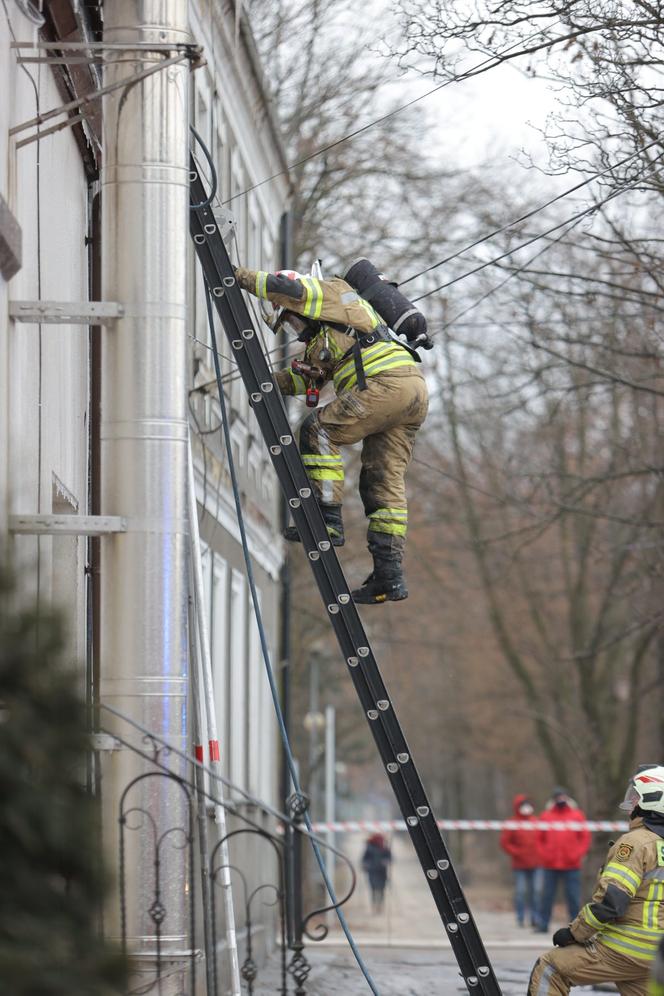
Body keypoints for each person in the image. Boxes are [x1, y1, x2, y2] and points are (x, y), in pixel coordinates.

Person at [233, 265, 430, 604]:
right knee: (382, 482)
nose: (296, 330)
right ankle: (389, 575)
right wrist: (264, 379)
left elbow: (285, 289)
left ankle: (327, 519)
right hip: (411, 392)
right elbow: (307, 382)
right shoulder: (326, 338)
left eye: (292, 320)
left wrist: (236, 275)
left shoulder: (331, 292)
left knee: (318, 430)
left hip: (386, 382)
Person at [528, 764, 664, 995]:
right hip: (657, 954)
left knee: (551, 967)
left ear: (651, 800)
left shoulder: (635, 843)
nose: (630, 803)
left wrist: (574, 933)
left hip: (627, 947)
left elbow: (611, 903)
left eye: (635, 796)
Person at [536, 786, 591, 933]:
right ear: (553, 799)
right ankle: (543, 924)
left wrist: (577, 854)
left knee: (573, 897)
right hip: (550, 864)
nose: (561, 799)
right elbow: (538, 839)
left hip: (571, 864)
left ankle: (575, 926)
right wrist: (544, 855)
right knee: (546, 896)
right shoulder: (546, 816)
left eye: (563, 797)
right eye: (558, 797)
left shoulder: (577, 815)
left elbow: (584, 838)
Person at [500, 793, 542, 928]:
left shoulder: (537, 822)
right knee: (521, 892)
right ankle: (520, 917)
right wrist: (517, 853)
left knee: (536, 891)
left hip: (537, 863)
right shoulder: (511, 823)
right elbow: (505, 843)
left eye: (528, 805)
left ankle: (535, 917)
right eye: (523, 805)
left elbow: (544, 840)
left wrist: (542, 853)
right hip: (520, 864)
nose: (526, 808)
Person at [361, 833, 392, 913]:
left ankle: (380, 906)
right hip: (372, 872)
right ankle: (374, 906)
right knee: (373, 889)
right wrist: (365, 864)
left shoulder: (385, 848)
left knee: (381, 889)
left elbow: (390, 858)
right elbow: (364, 858)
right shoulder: (369, 848)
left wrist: (387, 861)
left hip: (382, 872)